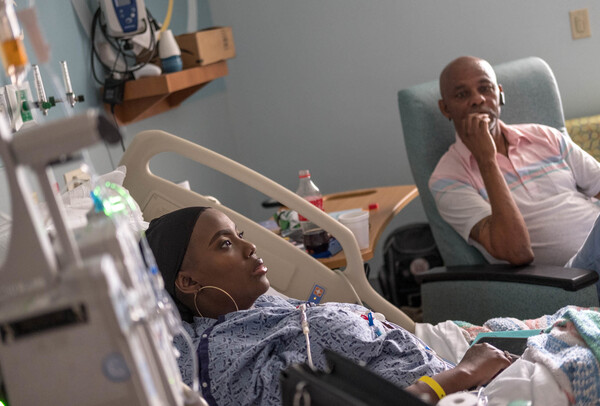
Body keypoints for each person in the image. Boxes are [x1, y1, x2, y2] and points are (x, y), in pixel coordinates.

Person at [145, 206, 514, 405]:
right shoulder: (228, 360)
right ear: (189, 282)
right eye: (225, 244)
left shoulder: (256, 314)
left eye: (240, 235)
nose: (249, 247)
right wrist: (463, 374)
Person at [429, 56, 600, 268]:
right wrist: (486, 160)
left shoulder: (545, 136)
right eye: (462, 94)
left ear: (500, 94)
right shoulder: (447, 178)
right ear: (445, 108)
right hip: (575, 276)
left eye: (485, 88)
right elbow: (517, 251)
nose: (477, 100)